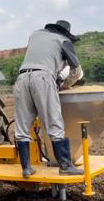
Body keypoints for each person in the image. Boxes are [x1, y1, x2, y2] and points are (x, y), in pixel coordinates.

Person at [14, 20, 83, 177]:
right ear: (65, 33)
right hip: (43, 78)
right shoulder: (64, 41)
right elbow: (76, 71)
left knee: (22, 125)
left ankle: (26, 168)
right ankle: (65, 166)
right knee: (54, 122)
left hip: (22, 79)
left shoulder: (35, 35)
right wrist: (65, 85)